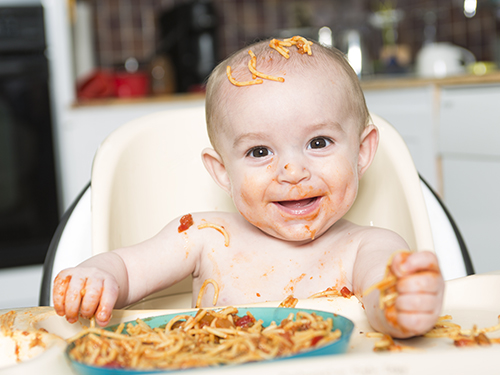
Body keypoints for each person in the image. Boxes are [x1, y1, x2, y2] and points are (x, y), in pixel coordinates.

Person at [53, 37, 444, 339]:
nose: (292, 171)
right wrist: (99, 276)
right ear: (222, 172)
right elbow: (125, 268)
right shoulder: (204, 238)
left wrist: (401, 304)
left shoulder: (369, 247)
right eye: (260, 151)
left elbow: (381, 295)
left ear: (361, 152)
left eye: (319, 142)